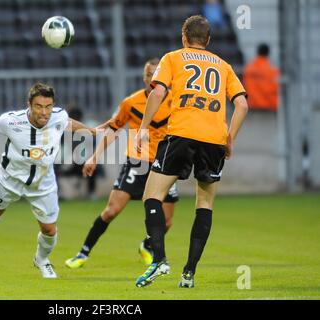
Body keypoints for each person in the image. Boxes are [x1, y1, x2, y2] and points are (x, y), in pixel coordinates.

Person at [134, 15, 248, 288]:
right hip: (214, 139)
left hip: (182, 134)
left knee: (152, 195)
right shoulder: (223, 65)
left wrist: (143, 127)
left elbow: (158, 92)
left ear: (184, 38)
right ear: (207, 41)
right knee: (205, 204)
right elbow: (242, 104)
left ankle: (159, 259)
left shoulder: (173, 58)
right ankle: (189, 274)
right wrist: (229, 137)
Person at [65, 58, 179, 269]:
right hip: (138, 162)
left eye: (157, 74)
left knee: (167, 221)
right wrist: (94, 157)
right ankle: (83, 253)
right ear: (144, 78)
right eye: (149, 75)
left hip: (165, 164)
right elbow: (113, 129)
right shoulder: (131, 102)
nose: (153, 79)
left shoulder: (177, 101)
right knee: (111, 211)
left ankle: (146, 245)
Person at [0, 83, 95, 278]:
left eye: (48, 106)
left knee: (49, 230)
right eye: (39, 106)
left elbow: (68, 123)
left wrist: (92, 131)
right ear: (29, 105)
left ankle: (41, 260)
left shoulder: (59, 116)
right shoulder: (11, 121)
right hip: (9, 179)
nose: (44, 112)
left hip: (43, 182)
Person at [243, 43, 279, 112]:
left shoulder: (248, 69)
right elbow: (275, 89)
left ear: (257, 52)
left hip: (252, 106)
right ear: (268, 53)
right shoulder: (272, 71)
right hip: (268, 106)